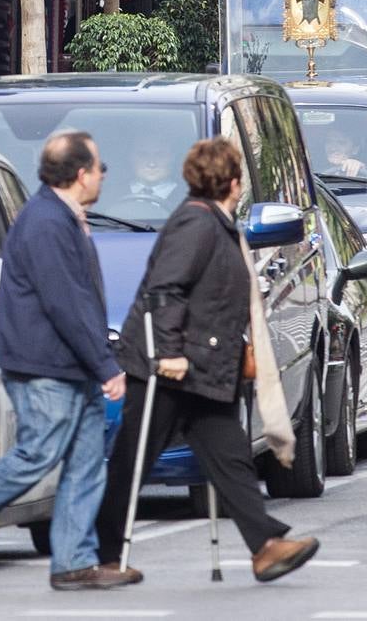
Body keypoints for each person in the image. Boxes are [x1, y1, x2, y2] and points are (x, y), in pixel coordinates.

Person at [96, 137, 320, 583]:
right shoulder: (196, 226)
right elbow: (166, 288)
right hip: (171, 367)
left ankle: (265, 546)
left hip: (204, 368)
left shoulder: (213, 223)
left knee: (231, 454)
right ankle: (98, 553)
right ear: (233, 182)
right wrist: (171, 354)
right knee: (131, 461)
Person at [0, 131, 134, 591]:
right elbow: (66, 303)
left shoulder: (59, 216)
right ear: (82, 174)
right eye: (100, 168)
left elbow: (78, 300)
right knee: (37, 453)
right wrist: (105, 365)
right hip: (46, 365)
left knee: (86, 461)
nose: (103, 176)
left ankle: (74, 561)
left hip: (66, 364)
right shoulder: (46, 223)